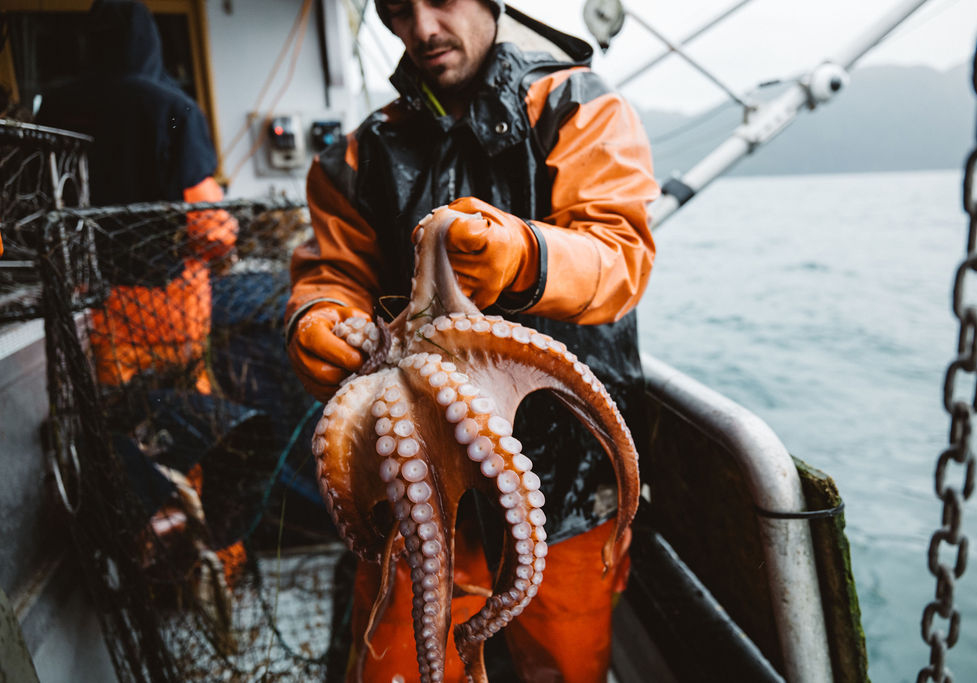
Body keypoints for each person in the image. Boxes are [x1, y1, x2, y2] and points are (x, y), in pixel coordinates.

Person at [286, 1, 658, 680]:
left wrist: (525, 255)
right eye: (398, 10)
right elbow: (333, 273)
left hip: (566, 484)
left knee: (565, 664)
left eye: (443, 1)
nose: (422, 29)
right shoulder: (362, 152)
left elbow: (618, 250)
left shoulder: (578, 106)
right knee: (396, 659)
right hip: (413, 483)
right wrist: (316, 317)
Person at [36, 0, 237, 393]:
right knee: (186, 421)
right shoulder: (174, 109)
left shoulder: (56, 108)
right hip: (171, 307)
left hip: (91, 308)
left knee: (120, 427)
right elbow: (210, 227)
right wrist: (225, 244)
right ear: (150, 40)